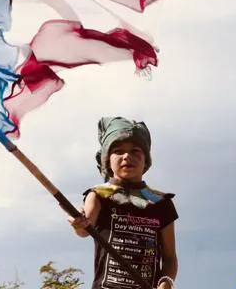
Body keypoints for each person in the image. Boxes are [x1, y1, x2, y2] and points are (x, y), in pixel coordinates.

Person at [69, 116, 178, 289]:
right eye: (118, 151)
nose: (127, 156)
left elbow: (170, 257)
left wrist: (166, 283)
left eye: (136, 150)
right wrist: (78, 223)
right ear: (107, 160)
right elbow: (84, 229)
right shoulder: (98, 195)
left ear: (146, 160)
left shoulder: (161, 203)